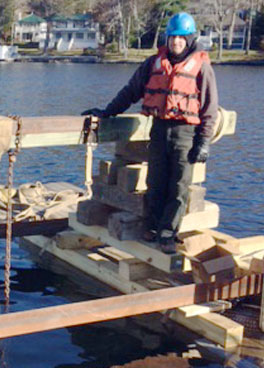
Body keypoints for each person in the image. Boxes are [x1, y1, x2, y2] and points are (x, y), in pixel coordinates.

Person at [82, 12, 218, 254]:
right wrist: (107, 112)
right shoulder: (153, 64)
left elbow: (209, 107)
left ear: (189, 39)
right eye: (172, 37)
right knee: (154, 182)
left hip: (185, 133)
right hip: (159, 129)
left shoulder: (202, 68)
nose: (175, 42)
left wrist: (204, 141)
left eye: (180, 38)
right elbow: (131, 91)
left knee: (178, 186)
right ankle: (153, 226)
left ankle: (168, 233)